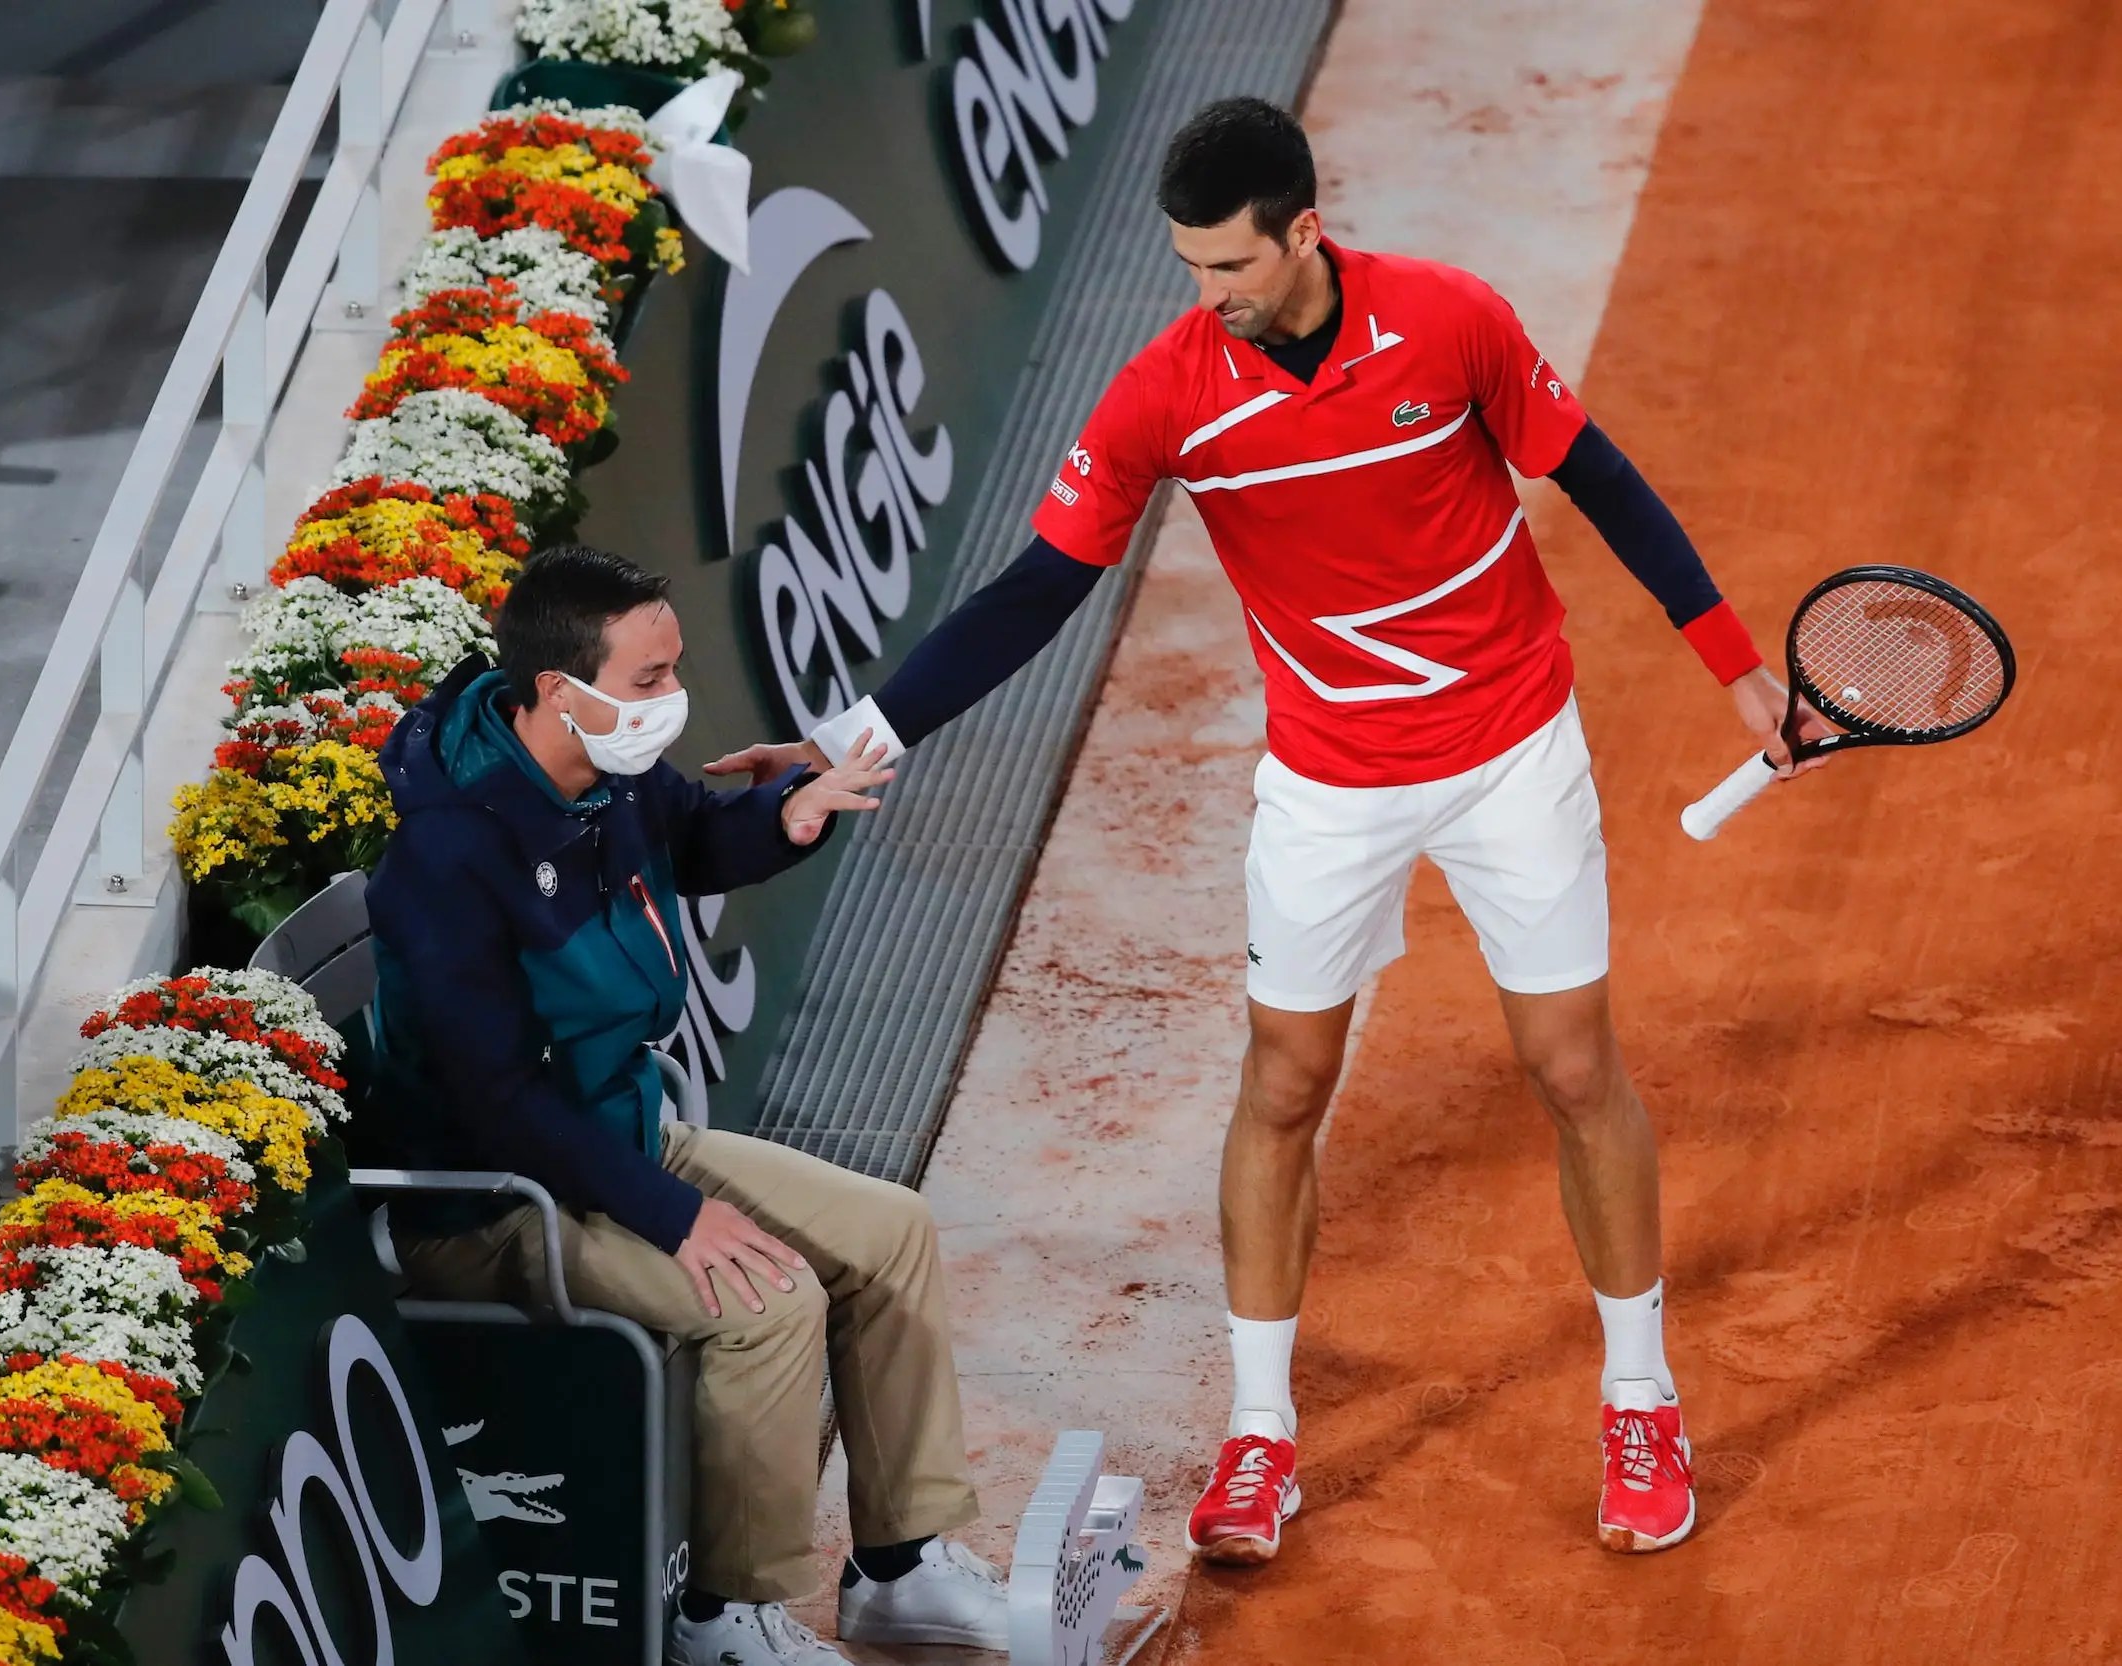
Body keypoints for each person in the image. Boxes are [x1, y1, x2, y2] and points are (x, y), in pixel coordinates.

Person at [706, 97, 1834, 1567]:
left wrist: (1734, 663)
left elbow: (1599, 479)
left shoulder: (1450, 322)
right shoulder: (1165, 393)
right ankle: (1258, 1430)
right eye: (1187, 268)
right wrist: (860, 733)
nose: (1207, 296)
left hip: (1511, 751)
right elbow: (1034, 591)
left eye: (1227, 266)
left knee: (1570, 1064)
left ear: (1304, 230)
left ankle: (1638, 1395)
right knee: (1286, 1079)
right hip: (1328, 778)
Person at [362, 544, 1011, 1666]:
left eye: (673, 670)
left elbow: (696, 837)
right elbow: (501, 1100)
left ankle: (900, 1567)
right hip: (491, 1202)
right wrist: (674, 1216)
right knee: (767, 1299)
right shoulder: (449, 856)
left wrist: (791, 812)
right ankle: (725, 1615)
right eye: (650, 678)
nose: (674, 699)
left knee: (887, 1232)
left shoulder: (601, 777)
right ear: (562, 692)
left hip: (609, 1136)